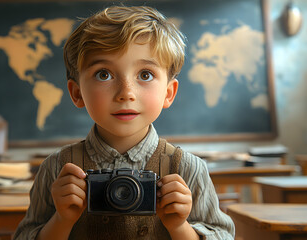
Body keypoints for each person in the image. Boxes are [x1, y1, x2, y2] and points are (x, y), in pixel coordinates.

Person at [14, 5, 234, 240]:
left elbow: (222, 235)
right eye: (103, 74)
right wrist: (62, 220)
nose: (126, 93)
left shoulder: (187, 168)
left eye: (145, 74)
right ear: (77, 93)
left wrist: (180, 227)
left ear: (169, 93)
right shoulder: (57, 168)